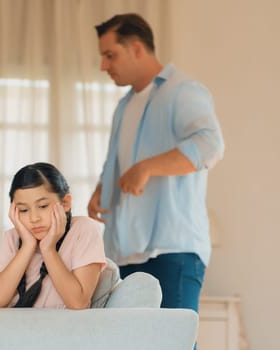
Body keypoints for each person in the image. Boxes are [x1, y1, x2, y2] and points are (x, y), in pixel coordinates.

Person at [87, 13, 225, 315]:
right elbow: (117, 160)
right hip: (123, 254)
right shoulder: (124, 107)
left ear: (137, 48)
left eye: (110, 55)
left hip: (172, 250)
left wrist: (147, 167)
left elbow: (210, 145)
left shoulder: (183, 91)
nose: (103, 66)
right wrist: (102, 187)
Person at [0, 162, 106, 309]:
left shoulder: (83, 229)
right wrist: (27, 246)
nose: (34, 218)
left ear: (65, 203)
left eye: (43, 206)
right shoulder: (12, 237)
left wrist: (48, 249)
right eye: (23, 210)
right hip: (16, 328)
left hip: (61, 329)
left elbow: (78, 302)